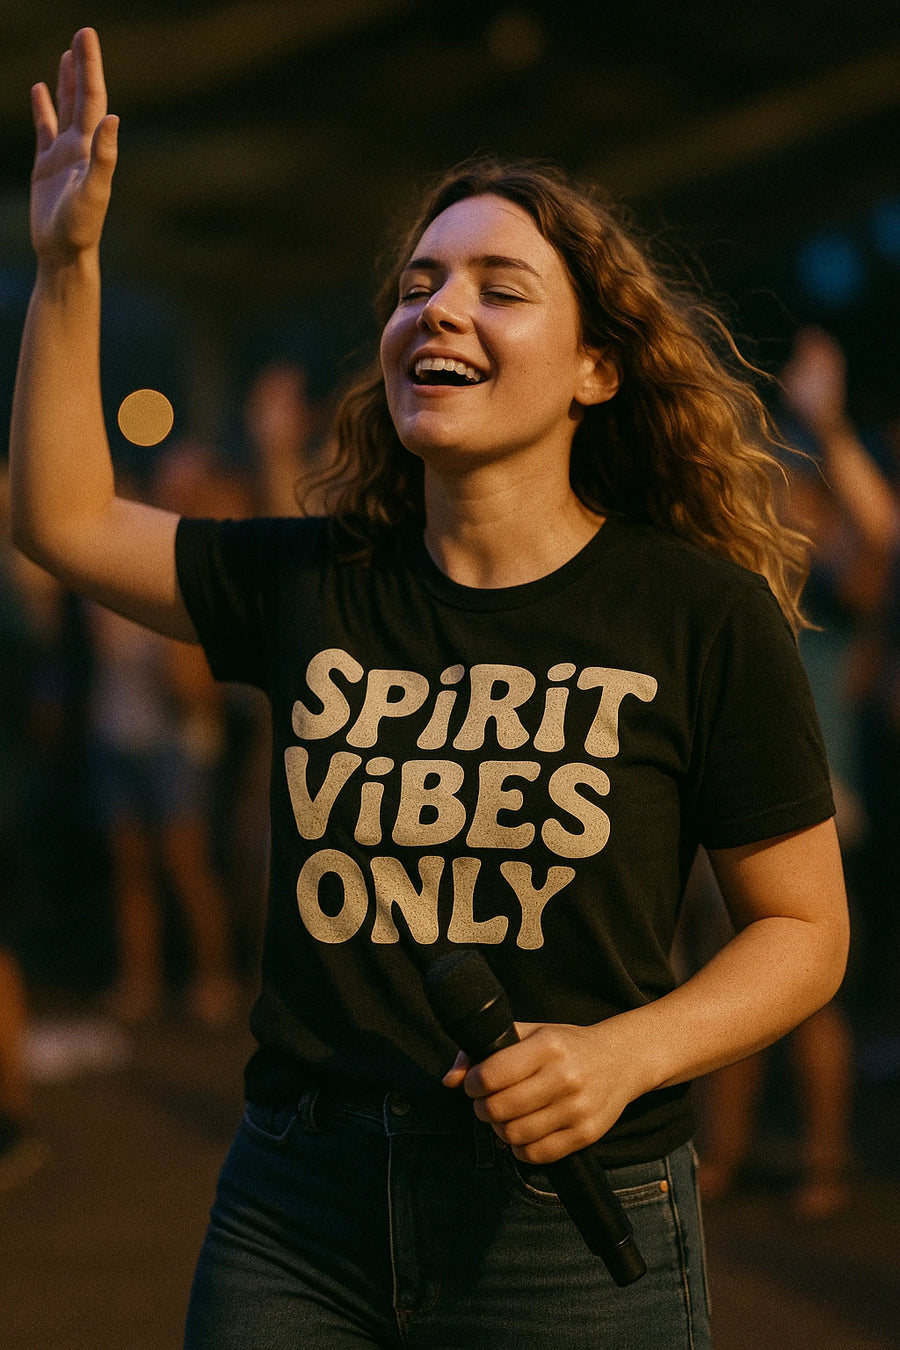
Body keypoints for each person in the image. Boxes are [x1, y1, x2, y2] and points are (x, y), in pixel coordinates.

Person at [9, 29, 849, 1350]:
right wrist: (69, 266)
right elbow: (59, 516)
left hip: (573, 1221)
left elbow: (805, 929)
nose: (437, 308)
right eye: (417, 284)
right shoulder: (314, 579)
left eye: (497, 287)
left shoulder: (697, 613)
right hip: (300, 1208)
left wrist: (623, 1051)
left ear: (595, 368)